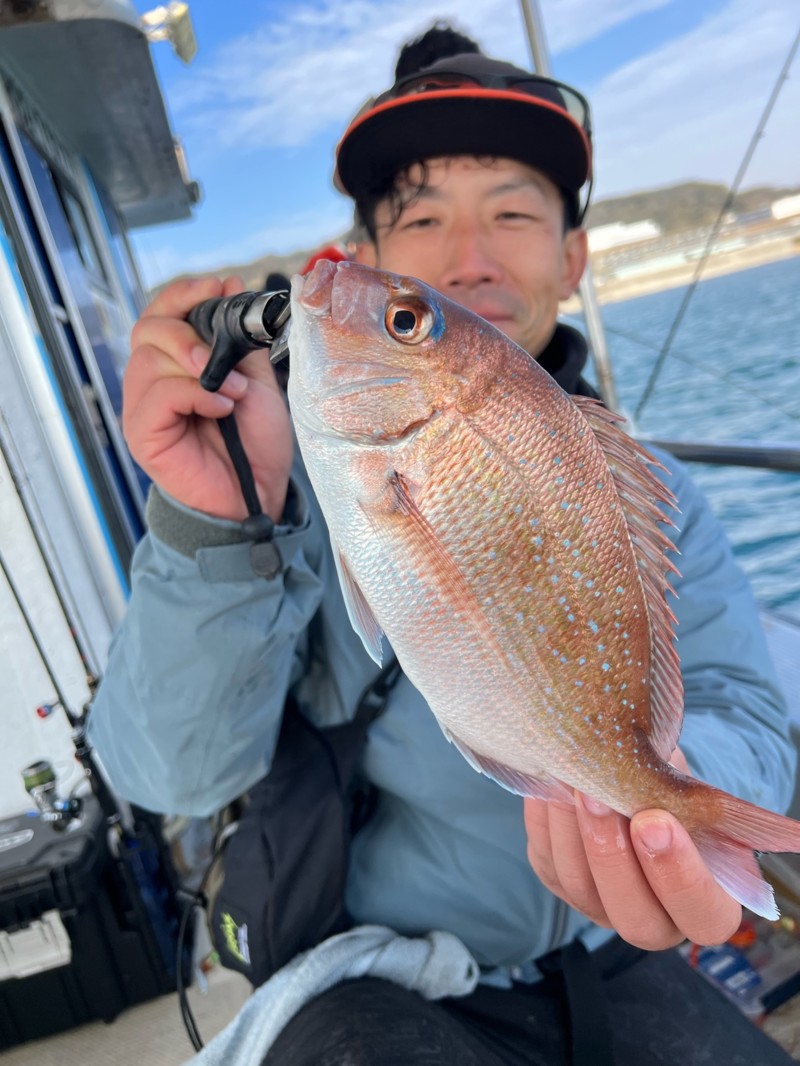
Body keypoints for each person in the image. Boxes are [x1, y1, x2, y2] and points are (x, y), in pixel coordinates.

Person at [87, 39, 796, 1066]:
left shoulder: (654, 494)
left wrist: (676, 797)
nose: (467, 253)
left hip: (612, 954)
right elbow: (168, 776)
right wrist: (218, 525)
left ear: (573, 256)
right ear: (368, 255)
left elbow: (740, 705)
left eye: (511, 210)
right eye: (419, 218)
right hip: (378, 973)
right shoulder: (281, 491)